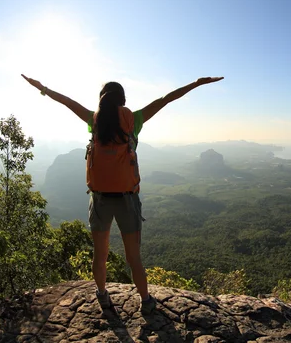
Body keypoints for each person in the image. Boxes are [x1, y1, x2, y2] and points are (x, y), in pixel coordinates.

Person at [21, 73, 223, 314]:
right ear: (122, 100)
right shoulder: (134, 120)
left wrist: (42, 87)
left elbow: (66, 101)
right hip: (127, 199)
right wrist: (197, 83)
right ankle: (146, 301)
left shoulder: (93, 120)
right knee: (133, 257)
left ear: (102, 100)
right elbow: (166, 98)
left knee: (100, 254)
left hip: (99, 199)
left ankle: (103, 296)